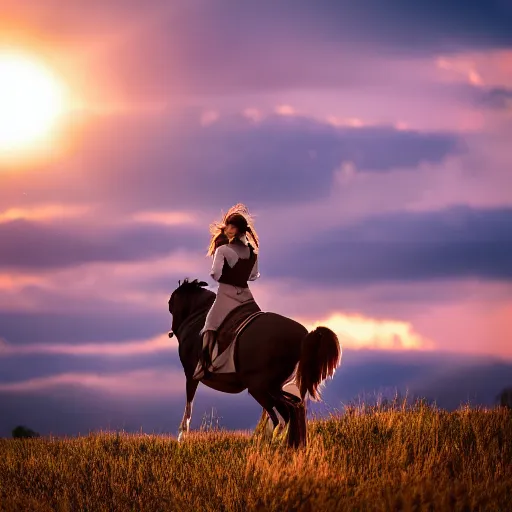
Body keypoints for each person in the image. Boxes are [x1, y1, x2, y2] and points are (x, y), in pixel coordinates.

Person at [193, 204, 260, 379]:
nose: (228, 229)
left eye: (232, 226)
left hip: (226, 294)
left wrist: (225, 277)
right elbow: (253, 275)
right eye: (228, 225)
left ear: (237, 230)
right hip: (246, 296)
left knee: (210, 325)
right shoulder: (253, 253)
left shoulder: (223, 250)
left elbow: (215, 274)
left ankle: (204, 366)